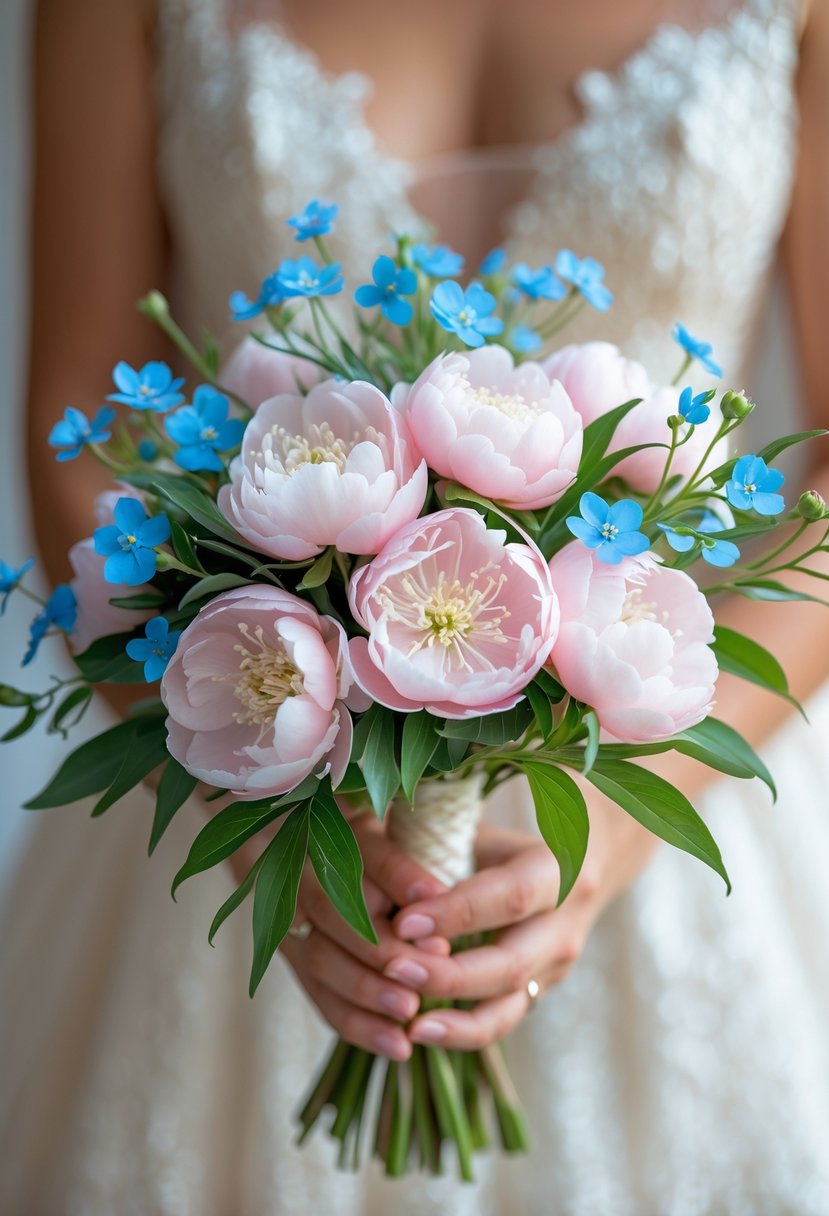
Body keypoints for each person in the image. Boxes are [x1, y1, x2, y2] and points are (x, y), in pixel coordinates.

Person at [3, 0, 829, 1210]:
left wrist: (607, 826)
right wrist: (276, 835)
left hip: (672, 790)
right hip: (250, 748)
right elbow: (83, 427)